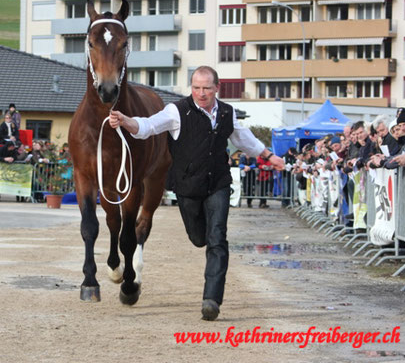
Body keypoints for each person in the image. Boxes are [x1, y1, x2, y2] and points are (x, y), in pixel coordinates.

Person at [109, 66, 284, 321]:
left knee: (217, 239)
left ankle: (211, 300)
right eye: (196, 88)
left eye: (206, 88)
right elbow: (148, 126)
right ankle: (207, 275)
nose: (201, 93)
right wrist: (126, 121)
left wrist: (268, 156)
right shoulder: (176, 111)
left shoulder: (226, 112)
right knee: (199, 238)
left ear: (217, 88)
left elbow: (243, 138)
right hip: (188, 187)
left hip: (218, 184)